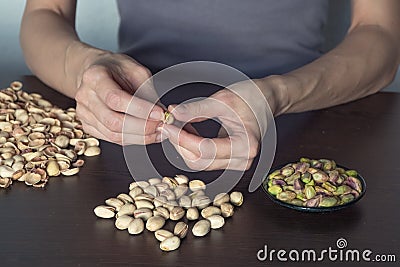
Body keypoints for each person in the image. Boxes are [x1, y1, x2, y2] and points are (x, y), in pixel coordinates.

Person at [20, 1, 400, 171]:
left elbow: (380, 34)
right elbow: (44, 14)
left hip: (303, 117)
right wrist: (85, 68)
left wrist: (277, 94)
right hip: (132, 123)